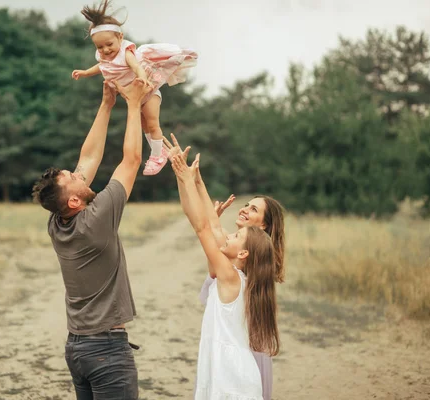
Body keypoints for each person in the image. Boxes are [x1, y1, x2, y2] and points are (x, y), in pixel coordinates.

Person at [32, 78, 152, 399]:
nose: (78, 173)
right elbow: (131, 161)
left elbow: (88, 158)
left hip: (78, 349)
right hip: (107, 353)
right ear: (73, 201)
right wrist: (133, 102)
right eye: (73, 178)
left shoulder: (58, 222)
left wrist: (106, 103)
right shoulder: (96, 220)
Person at [164, 134, 285, 400]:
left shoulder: (236, 271)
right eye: (246, 204)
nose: (243, 211)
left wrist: (187, 178)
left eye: (253, 209)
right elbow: (209, 223)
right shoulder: (239, 260)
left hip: (236, 368)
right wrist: (190, 178)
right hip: (226, 362)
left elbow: (204, 226)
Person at [72, 0, 198, 176]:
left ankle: (157, 156)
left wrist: (143, 79)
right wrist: (85, 72)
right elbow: (100, 66)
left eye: (109, 44)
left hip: (149, 92)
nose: (105, 50)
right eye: (100, 47)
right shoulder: (105, 57)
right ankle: (159, 150)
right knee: (145, 125)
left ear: (120, 38)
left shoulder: (126, 53)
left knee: (153, 124)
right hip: (135, 98)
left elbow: (137, 67)